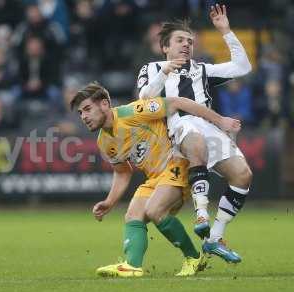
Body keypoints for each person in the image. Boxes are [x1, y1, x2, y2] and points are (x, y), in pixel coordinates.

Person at [70, 82, 241, 277]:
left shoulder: (133, 111)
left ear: (104, 104)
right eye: (80, 113)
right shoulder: (104, 141)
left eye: (87, 109)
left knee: (154, 210)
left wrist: (219, 120)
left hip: (177, 163)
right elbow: (123, 171)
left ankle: (193, 257)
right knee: (133, 216)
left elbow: (177, 102)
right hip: (155, 178)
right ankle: (132, 266)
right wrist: (110, 202)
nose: (84, 117)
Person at [136, 4, 252, 263]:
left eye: (190, 41)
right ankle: (201, 213)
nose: (187, 44)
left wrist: (226, 31)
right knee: (195, 140)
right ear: (165, 46)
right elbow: (144, 98)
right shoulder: (153, 68)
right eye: (180, 40)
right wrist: (166, 70)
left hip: (208, 125)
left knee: (243, 176)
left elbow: (242, 67)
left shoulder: (202, 69)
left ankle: (214, 238)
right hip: (177, 125)